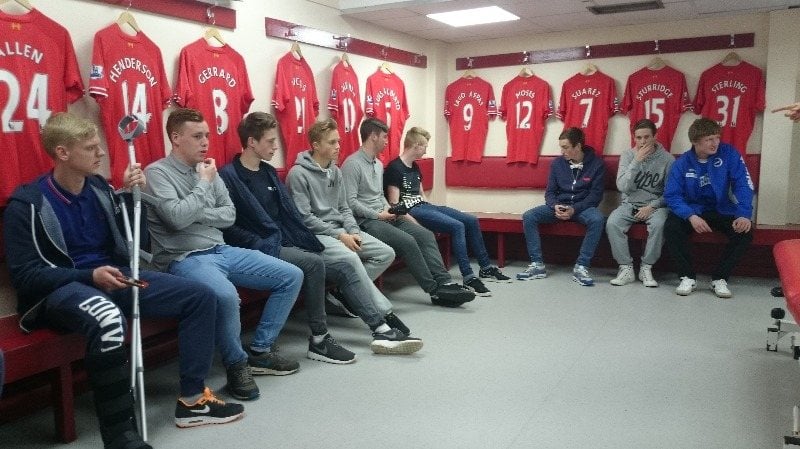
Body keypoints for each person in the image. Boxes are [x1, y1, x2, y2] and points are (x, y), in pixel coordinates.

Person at [2, 113, 244, 448]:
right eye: (90, 148)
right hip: (63, 290)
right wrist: (89, 275)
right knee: (107, 318)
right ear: (63, 153)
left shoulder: (100, 189)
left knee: (200, 297)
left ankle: (192, 400)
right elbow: (27, 277)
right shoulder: (27, 204)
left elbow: (132, 245)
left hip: (116, 277)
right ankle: (121, 437)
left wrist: (132, 198)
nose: (100, 153)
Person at [222, 112, 421, 357]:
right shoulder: (230, 176)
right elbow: (232, 226)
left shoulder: (268, 172)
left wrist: (343, 232)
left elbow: (291, 216)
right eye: (271, 141)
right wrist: (330, 237)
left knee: (347, 266)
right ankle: (321, 337)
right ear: (252, 142)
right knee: (321, 262)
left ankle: (380, 328)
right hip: (266, 245)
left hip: (290, 238)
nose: (276, 146)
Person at [143, 108, 304, 401]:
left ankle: (260, 350)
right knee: (227, 295)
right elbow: (176, 220)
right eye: (197, 136)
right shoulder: (157, 173)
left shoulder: (207, 167)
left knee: (291, 275)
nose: (205, 142)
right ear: (175, 138)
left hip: (222, 249)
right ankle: (236, 363)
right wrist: (203, 186)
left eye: (206, 135)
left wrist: (194, 211)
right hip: (184, 258)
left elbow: (228, 215)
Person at [285, 118, 423, 354]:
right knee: (351, 260)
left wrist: (355, 232)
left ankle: (347, 293)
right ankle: (384, 317)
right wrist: (341, 236)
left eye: (338, 141)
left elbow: (345, 209)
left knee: (385, 253)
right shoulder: (297, 175)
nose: (339, 146)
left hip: (344, 230)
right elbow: (304, 219)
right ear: (316, 145)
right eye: (332, 142)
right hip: (317, 235)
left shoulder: (335, 171)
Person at [341, 118, 475, 307]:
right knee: (408, 241)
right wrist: (378, 215)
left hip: (385, 214)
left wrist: (389, 209)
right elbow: (350, 202)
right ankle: (434, 291)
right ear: (373, 137)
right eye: (384, 137)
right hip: (366, 221)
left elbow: (379, 195)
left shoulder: (378, 164)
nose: (387, 141)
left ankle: (444, 282)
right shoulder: (352, 164)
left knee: (426, 235)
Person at [384, 126, 511, 297]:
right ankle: (468, 277)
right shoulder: (394, 168)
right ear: (415, 146)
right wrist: (418, 226)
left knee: (471, 220)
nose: (425, 150)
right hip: (412, 211)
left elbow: (421, 195)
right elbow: (395, 206)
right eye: (424, 146)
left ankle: (486, 268)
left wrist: (436, 212)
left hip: (424, 207)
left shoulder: (415, 167)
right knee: (457, 226)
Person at [664, 117, 754, 298]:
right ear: (695, 142)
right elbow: (672, 195)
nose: (716, 143)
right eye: (709, 139)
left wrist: (744, 213)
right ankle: (687, 276)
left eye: (717, 138)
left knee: (745, 232)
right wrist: (690, 215)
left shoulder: (729, 154)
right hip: (693, 210)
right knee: (671, 227)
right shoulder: (681, 163)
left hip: (721, 209)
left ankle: (720, 278)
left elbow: (743, 184)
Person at [517, 127, 606, 286]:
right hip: (559, 206)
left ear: (578, 146)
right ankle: (537, 265)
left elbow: (595, 196)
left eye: (565, 147)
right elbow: (550, 192)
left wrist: (575, 209)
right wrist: (554, 205)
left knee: (598, 219)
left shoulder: (597, 164)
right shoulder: (557, 164)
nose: (562, 151)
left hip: (581, 208)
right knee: (529, 216)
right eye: (561, 147)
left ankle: (581, 266)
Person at [606, 119, 674, 287]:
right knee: (612, 223)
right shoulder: (628, 155)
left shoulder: (668, 159)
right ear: (634, 138)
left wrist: (652, 207)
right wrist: (636, 161)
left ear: (655, 137)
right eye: (638, 138)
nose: (642, 141)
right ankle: (626, 267)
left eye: (646, 137)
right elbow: (622, 186)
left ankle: (646, 267)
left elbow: (670, 194)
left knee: (659, 224)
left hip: (655, 205)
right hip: (629, 204)